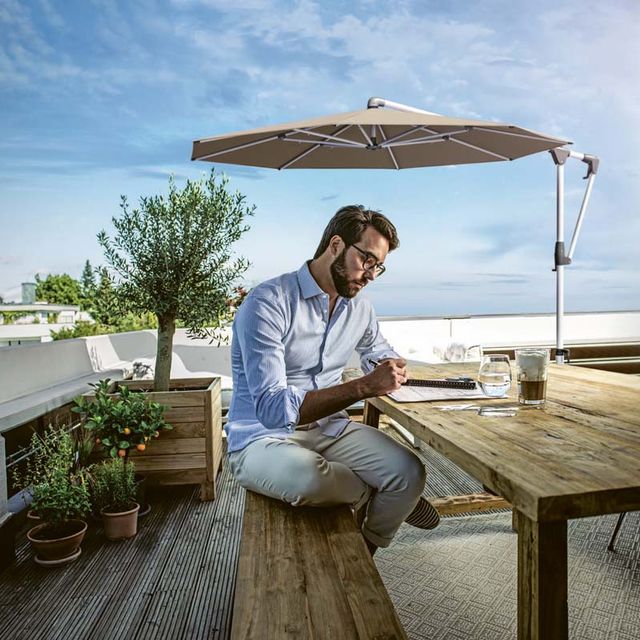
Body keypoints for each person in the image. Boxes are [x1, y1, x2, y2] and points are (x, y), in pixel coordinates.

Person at [226, 205, 439, 554]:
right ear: (337, 245)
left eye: (378, 267)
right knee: (310, 478)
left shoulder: (359, 308)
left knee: (409, 473)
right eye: (366, 260)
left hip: (329, 429)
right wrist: (364, 386)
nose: (370, 275)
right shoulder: (268, 302)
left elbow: (376, 348)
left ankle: (365, 552)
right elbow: (272, 409)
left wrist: (388, 365)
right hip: (261, 439)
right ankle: (372, 491)